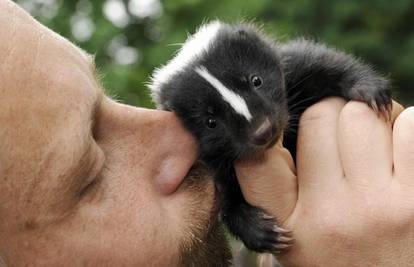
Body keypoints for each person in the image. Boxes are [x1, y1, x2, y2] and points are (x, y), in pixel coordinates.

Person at [1, 0, 414, 266]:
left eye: (110, 100)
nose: (178, 140)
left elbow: (336, 71)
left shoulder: (293, 66)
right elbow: (236, 208)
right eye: (90, 173)